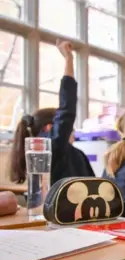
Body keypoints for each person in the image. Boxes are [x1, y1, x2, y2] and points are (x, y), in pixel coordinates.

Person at [9, 40, 94, 186]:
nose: (71, 131)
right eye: (69, 128)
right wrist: (69, 60)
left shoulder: (74, 153)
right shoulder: (49, 149)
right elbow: (67, 110)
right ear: (49, 128)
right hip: (62, 208)